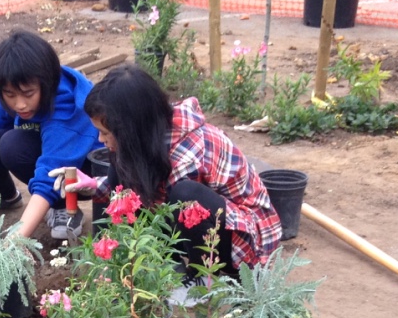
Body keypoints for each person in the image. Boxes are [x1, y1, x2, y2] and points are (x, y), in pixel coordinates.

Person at [52, 62, 282, 278]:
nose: (100, 140)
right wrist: (94, 186)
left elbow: (160, 207)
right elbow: (142, 187)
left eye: (105, 132)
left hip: (244, 235)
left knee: (186, 198)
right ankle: (165, 268)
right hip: (203, 220)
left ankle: (199, 277)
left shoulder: (187, 155)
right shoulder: (150, 129)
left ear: (131, 128)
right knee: (121, 162)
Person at [0, 29, 102, 243]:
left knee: (13, 145)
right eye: (10, 95)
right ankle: (4, 197)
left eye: (28, 94)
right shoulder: (10, 92)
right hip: (50, 159)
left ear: (46, 84)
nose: (20, 104)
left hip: (85, 173)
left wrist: (14, 241)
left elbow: (52, 170)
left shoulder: (67, 104)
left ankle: (62, 206)